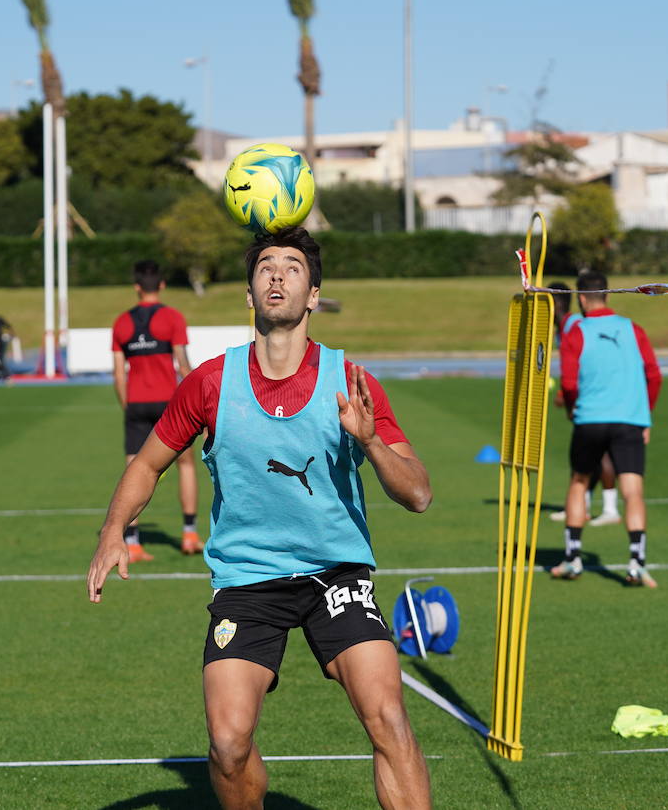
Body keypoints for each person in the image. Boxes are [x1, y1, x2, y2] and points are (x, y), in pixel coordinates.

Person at [87, 229, 433, 808]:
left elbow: (418, 493)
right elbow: (147, 464)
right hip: (247, 581)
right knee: (227, 744)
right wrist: (110, 532)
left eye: (293, 267)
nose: (277, 275)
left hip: (336, 576)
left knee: (388, 718)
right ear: (249, 294)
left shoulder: (351, 380)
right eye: (265, 266)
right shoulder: (210, 381)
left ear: (314, 293)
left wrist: (371, 443)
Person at [551, 270, 662, 587]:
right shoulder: (633, 329)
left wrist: (572, 410)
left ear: (582, 299)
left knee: (579, 483)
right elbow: (654, 375)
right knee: (633, 491)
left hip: (591, 419)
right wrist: (645, 416)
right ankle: (636, 563)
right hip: (630, 420)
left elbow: (570, 383)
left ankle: (573, 559)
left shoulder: (576, 332)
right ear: (608, 295)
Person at [110, 259, 203, 560]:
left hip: (136, 404)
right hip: (169, 406)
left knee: (134, 469)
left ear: (137, 287)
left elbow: (118, 374)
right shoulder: (173, 317)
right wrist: (198, 408)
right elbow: (184, 365)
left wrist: (128, 406)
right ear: (161, 285)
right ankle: (189, 534)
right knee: (186, 466)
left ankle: (133, 542)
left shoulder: (121, 323)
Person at [547, 281, 622, 527]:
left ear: (555, 304)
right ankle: (583, 506)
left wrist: (569, 394)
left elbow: (587, 361)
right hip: (585, 396)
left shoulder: (574, 325)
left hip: (593, 397)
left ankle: (610, 508)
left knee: (600, 454)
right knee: (588, 455)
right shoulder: (563, 328)